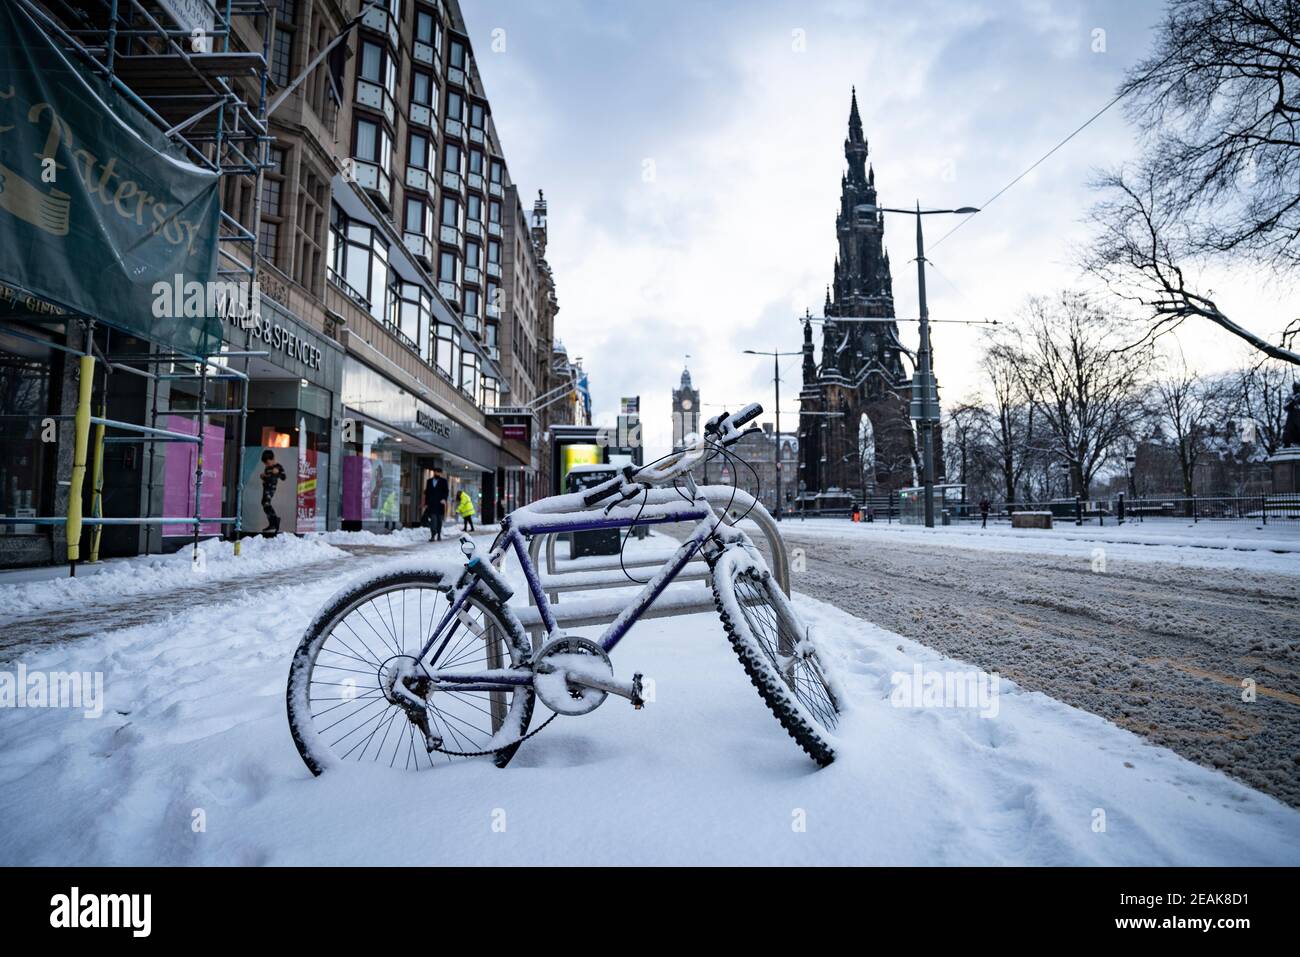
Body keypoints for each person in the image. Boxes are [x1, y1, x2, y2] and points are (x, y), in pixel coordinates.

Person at [260, 449, 288, 535]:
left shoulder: (278, 466)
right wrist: (263, 476)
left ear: (273, 459)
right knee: (264, 504)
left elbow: (284, 477)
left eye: (268, 463)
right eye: (266, 464)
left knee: (266, 503)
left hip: (271, 488)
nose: (267, 465)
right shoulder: (267, 468)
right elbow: (267, 478)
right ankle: (272, 522)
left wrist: (278, 472)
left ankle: (274, 522)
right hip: (266, 488)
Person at [422, 468, 449, 541]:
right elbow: (427, 493)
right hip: (431, 504)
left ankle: (439, 534)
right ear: (434, 473)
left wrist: (444, 499)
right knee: (433, 520)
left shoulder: (444, 481)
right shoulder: (429, 481)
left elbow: (446, 492)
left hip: (440, 504)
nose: (438, 474)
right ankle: (433, 535)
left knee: (439, 520)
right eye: (436, 472)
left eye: (439, 473)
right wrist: (426, 503)